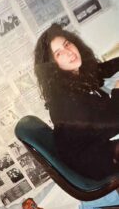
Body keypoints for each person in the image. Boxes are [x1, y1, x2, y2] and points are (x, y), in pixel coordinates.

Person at [34, 23, 119, 180]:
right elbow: (114, 123)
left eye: (67, 44)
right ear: (52, 66)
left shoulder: (75, 74)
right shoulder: (65, 99)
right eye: (59, 54)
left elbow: (102, 69)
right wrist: (116, 90)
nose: (69, 52)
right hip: (93, 160)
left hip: (97, 143)